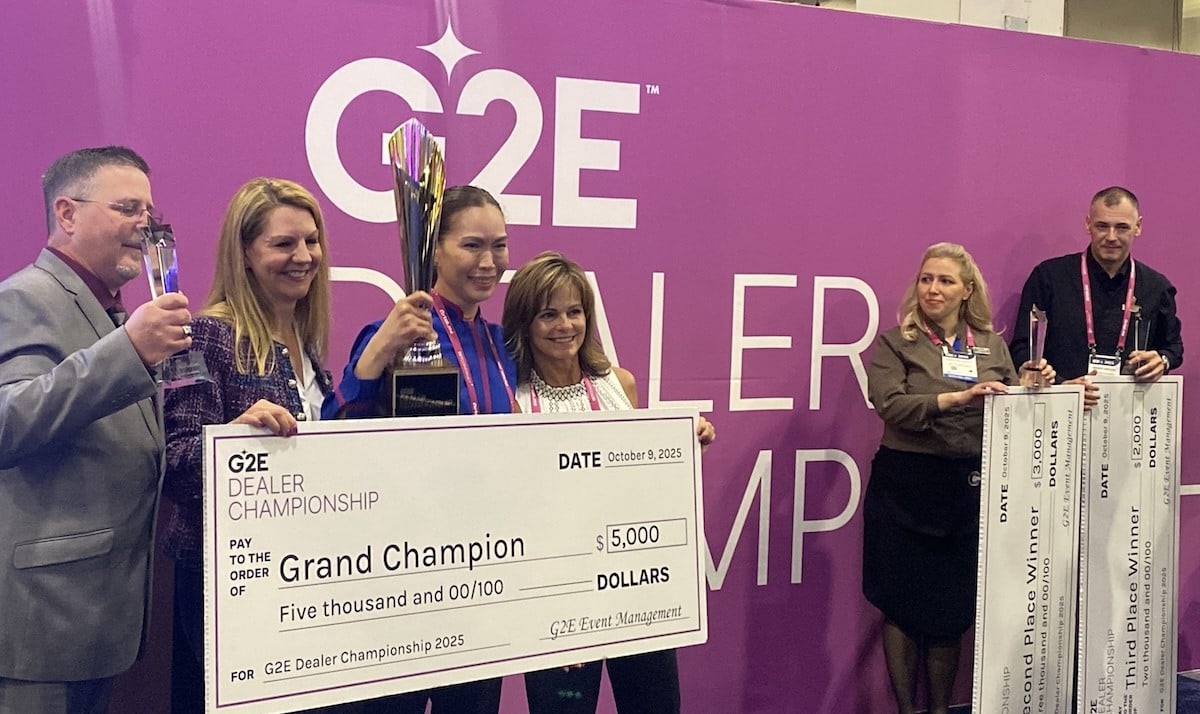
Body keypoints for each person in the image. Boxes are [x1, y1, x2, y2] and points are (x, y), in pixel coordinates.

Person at [0, 146, 192, 713]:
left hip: (95, 617)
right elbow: (9, 420)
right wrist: (128, 351)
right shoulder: (24, 298)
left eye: (149, 211)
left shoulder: (106, 308)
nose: (146, 225)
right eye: (128, 208)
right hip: (45, 622)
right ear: (67, 214)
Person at [161, 178, 346, 713]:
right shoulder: (201, 337)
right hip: (230, 591)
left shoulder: (309, 348)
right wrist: (233, 439)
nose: (304, 256)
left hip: (302, 581)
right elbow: (177, 466)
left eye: (311, 242)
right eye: (283, 244)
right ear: (244, 253)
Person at [501, 251, 715, 714]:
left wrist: (684, 439)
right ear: (525, 323)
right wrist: (556, 612)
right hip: (558, 602)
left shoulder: (621, 383)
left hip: (636, 590)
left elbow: (640, 478)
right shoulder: (512, 402)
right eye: (548, 314)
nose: (564, 326)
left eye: (574, 312)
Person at [336, 184, 516, 714]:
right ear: (433, 250)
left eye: (499, 246)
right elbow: (338, 433)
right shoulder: (394, 331)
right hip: (406, 577)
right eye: (472, 246)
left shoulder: (505, 343)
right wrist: (378, 353)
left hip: (484, 576)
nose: (489, 262)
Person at [862, 242, 1053, 714]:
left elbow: (1013, 407)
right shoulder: (895, 342)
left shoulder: (991, 345)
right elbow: (889, 404)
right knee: (902, 603)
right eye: (926, 279)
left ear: (967, 290)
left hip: (967, 488)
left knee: (950, 609)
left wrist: (1034, 385)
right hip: (906, 484)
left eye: (945, 281)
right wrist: (957, 400)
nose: (933, 289)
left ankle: (942, 708)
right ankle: (909, 709)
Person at [1010, 186, 1183, 409]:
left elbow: (1173, 347)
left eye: (1122, 227)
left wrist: (1163, 360)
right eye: (1102, 226)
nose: (1111, 237)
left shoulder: (1157, 287)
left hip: (1128, 414)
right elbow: (1022, 347)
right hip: (1057, 411)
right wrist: (1063, 387)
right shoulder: (1049, 277)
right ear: (1088, 224)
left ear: (1138, 227)